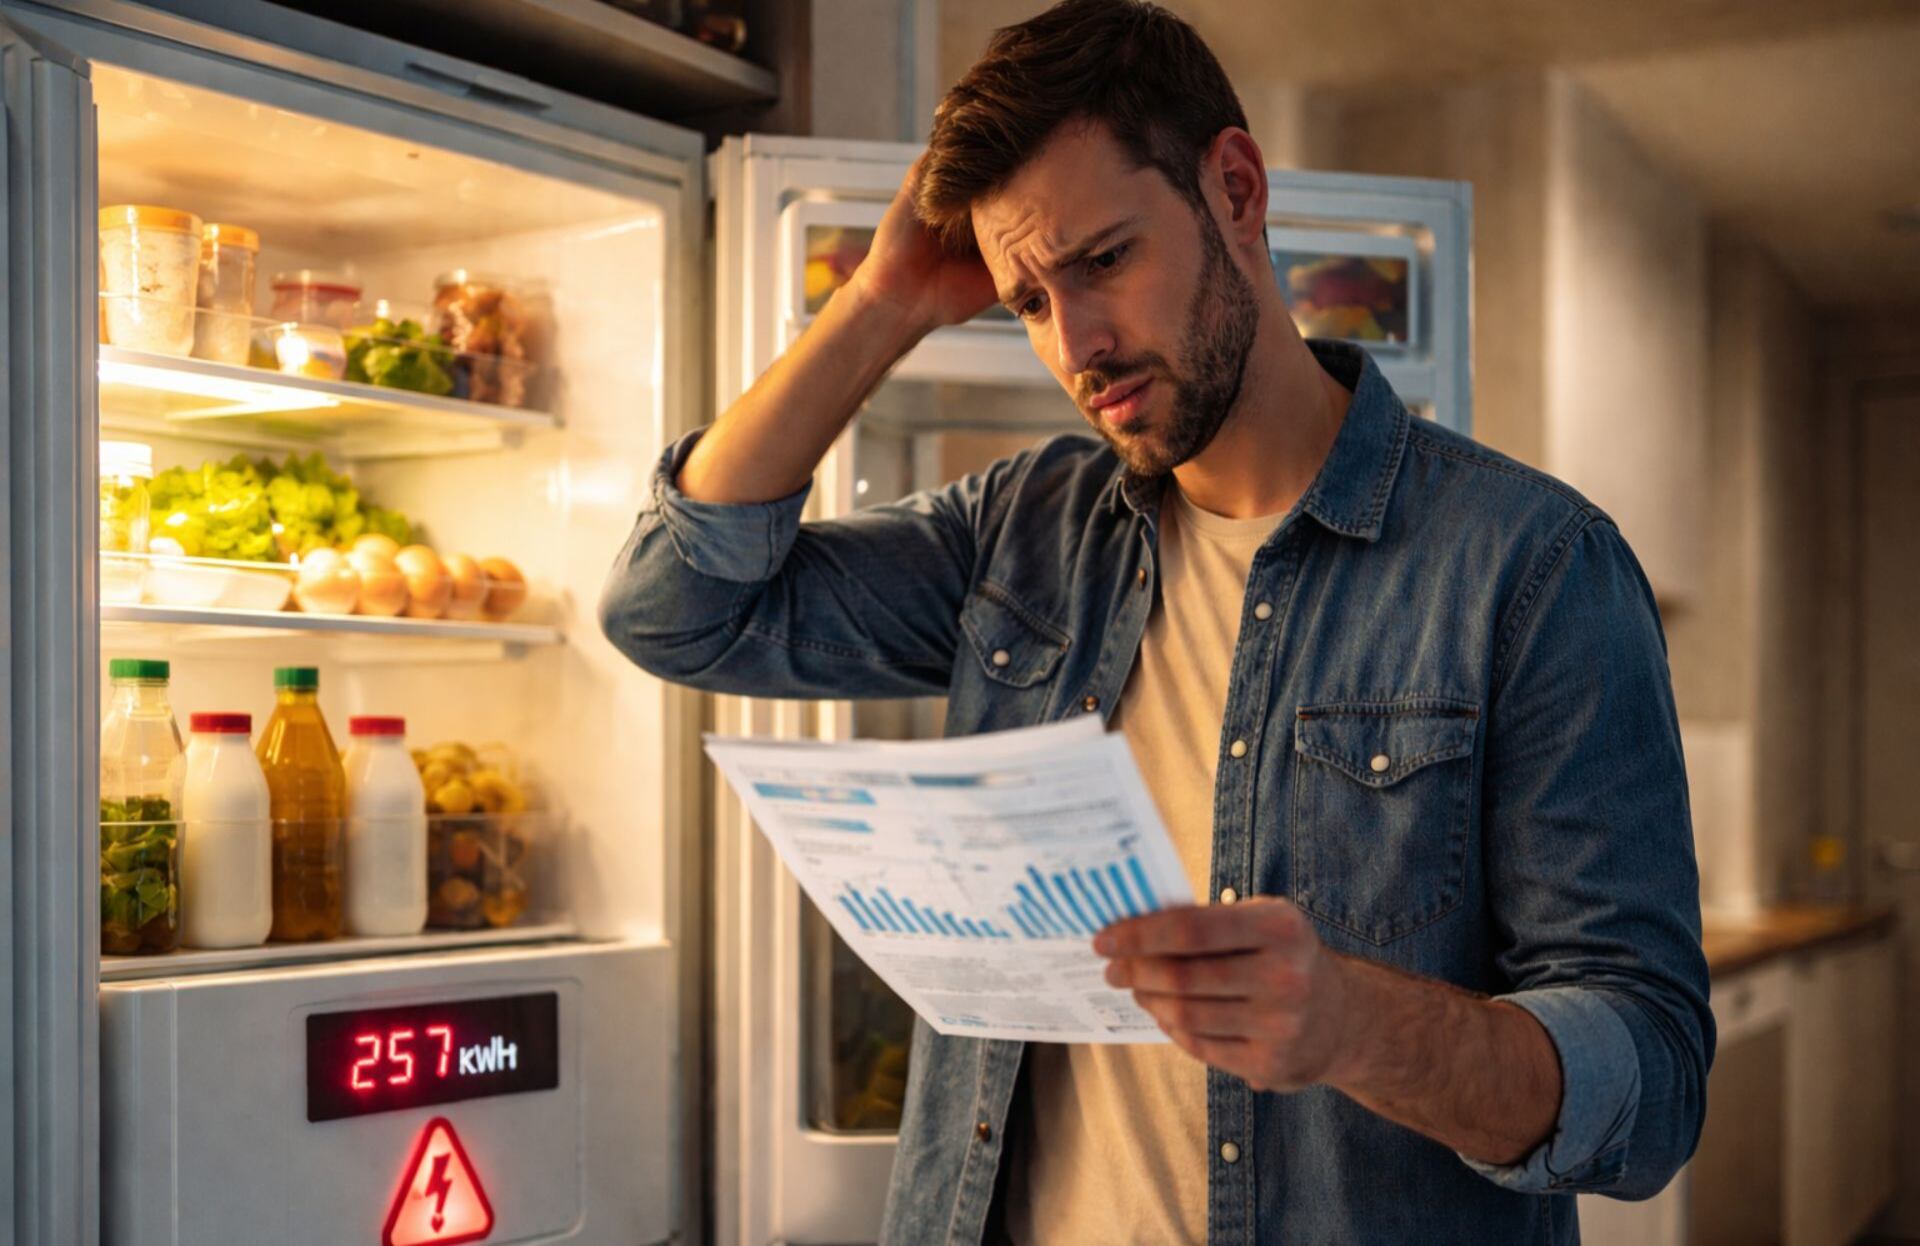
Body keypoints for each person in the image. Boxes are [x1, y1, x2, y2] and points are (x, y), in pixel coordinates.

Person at [600, 0, 1712, 1240]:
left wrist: (1357, 1023)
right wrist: (885, 300)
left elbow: (1651, 1085)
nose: (1076, 346)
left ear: (1235, 188)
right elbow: (675, 611)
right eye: (1026, 300)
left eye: (1103, 259)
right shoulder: (1023, 534)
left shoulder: (1533, 567)